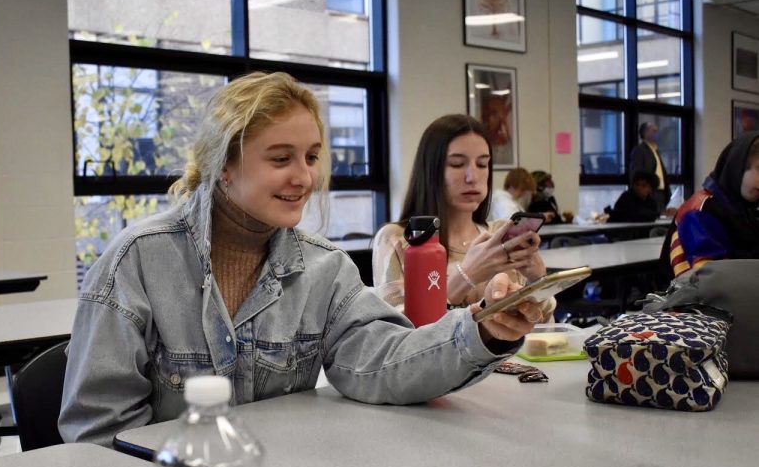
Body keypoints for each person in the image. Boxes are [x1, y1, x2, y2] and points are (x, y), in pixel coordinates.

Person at [59, 73, 543, 447]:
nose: (304, 177)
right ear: (223, 166)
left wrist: (482, 329)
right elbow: (98, 433)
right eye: (280, 158)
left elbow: (383, 362)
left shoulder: (324, 269)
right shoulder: (137, 261)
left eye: (311, 157)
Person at [372, 113, 553, 316]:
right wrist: (466, 276)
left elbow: (547, 332)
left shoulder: (498, 234)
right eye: (457, 164)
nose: (473, 177)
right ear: (430, 170)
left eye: (483, 164)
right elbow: (400, 335)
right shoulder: (398, 239)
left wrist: (537, 281)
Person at [668, 131, 759, 276]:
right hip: (692, 296)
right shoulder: (701, 211)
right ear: (737, 168)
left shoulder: (746, 206)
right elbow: (713, 279)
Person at [630, 122, 670, 209]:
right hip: (650, 194)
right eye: (653, 130)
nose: (656, 132)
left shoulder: (656, 151)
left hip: (661, 194)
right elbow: (636, 174)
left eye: (657, 131)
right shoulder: (639, 150)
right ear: (645, 133)